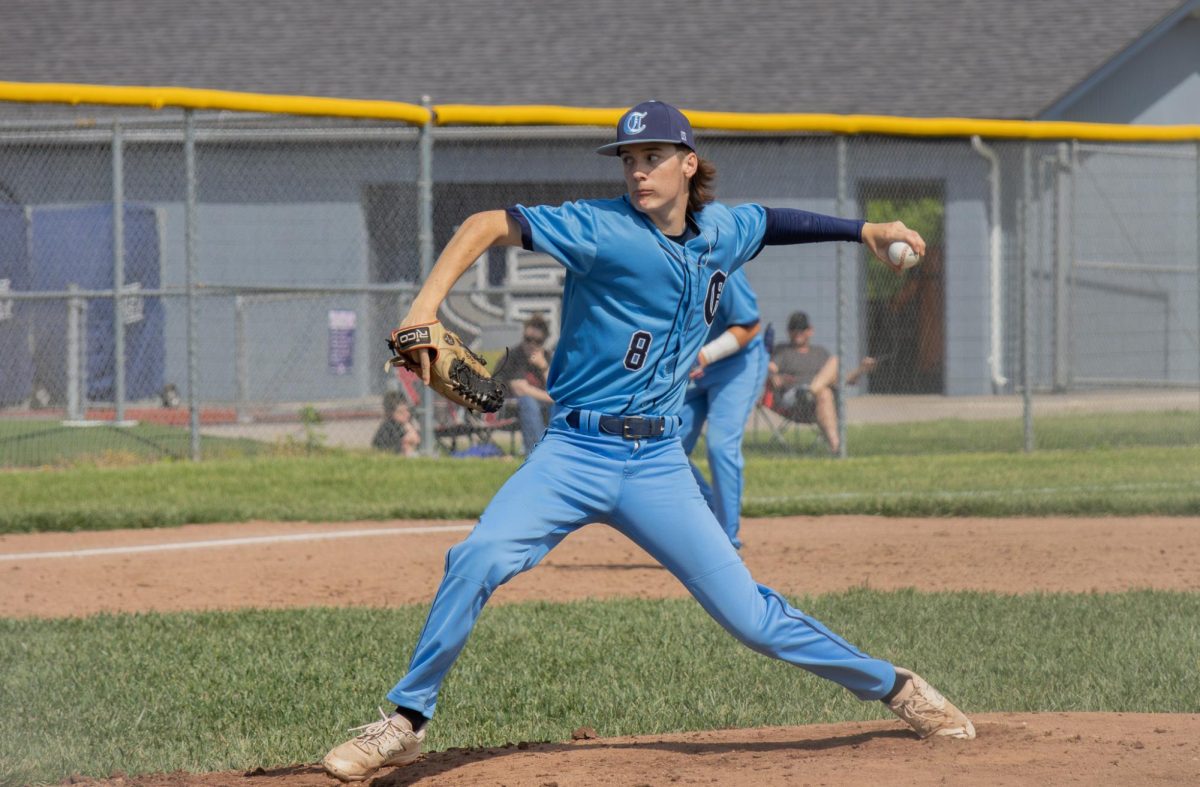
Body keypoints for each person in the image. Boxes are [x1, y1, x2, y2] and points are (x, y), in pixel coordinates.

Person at [322, 99, 972, 783]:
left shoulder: (722, 229)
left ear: (688, 164)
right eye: (629, 159)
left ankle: (894, 684)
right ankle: (404, 722)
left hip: (658, 461)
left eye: (652, 157)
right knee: (478, 554)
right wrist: (424, 308)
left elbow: (774, 222)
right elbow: (486, 224)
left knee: (752, 617)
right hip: (575, 452)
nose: (637, 171)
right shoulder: (600, 228)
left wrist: (867, 228)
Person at [678, 268, 767, 550]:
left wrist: (705, 355)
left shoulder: (720, 262)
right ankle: (712, 513)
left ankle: (725, 541)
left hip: (735, 365)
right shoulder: (659, 262)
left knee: (720, 446)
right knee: (664, 447)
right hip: (691, 369)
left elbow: (750, 325)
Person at [769, 311, 876, 455]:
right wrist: (775, 377)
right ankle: (837, 448)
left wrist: (861, 369)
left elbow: (843, 379)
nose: (797, 333)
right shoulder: (783, 351)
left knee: (829, 378)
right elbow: (771, 371)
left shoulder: (820, 352)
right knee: (826, 385)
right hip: (794, 398)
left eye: (801, 329)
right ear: (788, 332)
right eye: (793, 329)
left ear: (810, 331)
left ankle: (835, 446)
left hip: (816, 398)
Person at [499, 314, 554, 455]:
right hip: (509, 405)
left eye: (537, 341)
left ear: (544, 341)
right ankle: (537, 451)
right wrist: (551, 397)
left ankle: (557, 449)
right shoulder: (514, 356)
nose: (531, 345)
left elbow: (555, 387)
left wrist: (543, 367)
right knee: (528, 401)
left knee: (559, 406)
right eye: (528, 339)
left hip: (543, 403)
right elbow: (520, 389)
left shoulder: (547, 357)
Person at [370, 390, 420, 457]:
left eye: (407, 410)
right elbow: (380, 446)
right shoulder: (388, 427)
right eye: (401, 412)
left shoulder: (408, 423)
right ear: (390, 413)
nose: (407, 414)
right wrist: (405, 442)